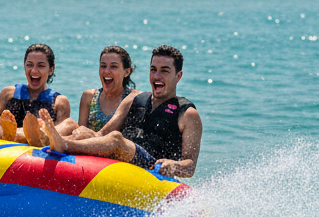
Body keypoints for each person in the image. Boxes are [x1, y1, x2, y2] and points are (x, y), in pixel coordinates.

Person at [39, 45, 202, 178]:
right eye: (153, 69)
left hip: (152, 169)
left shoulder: (187, 114)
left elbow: (190, 167)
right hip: (122, 164)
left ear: (178, 76)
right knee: (84, 132)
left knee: (116, 139)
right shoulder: (133, 99)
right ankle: (43, 141)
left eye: (164, 71)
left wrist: (174, 165)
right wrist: (81, 134)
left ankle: (63, 145)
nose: (157, 76)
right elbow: (101, 134)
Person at [0, 43, 71, 146]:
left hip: (36, 149)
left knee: (60, 127)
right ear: (24, 66)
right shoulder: (9, 93)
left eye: (41, 66)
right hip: (4, 148)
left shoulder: (59, 102)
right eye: (29, 65)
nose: (34, 70)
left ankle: (25, 136)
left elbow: (61, 135)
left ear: (51, 69)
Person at [77, 45, 139, 132]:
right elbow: (80, 135)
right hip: (89, 144)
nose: (106, 71)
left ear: (126, 72)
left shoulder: (133, 98)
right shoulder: (89, 97)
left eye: (113, 66)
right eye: (103, 66)